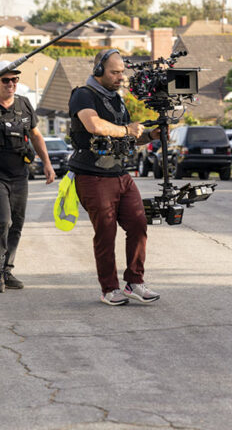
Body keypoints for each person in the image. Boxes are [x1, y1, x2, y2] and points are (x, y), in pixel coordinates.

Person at [68, 48, 161, 306]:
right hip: (93, 176)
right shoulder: (82, 95)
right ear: (98, 71)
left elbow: (127, 136)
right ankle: (109, 288)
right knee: (106, 232)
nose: (121, 77)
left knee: (138, 224)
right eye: (115, 72)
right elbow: (94, 126)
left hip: (120, 173)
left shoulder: (117, 99)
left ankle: (135, 282)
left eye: (123, 72)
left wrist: (150, 136)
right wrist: (126, 129)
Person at [0, 61, 55, 293]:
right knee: (2, 220)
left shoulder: (24, 104)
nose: (11, 84)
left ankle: (7, 269)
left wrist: (47, 163)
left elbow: (36, 136)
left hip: (19, 175)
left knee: (16, 223)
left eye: (15, 79)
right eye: (6, 80)